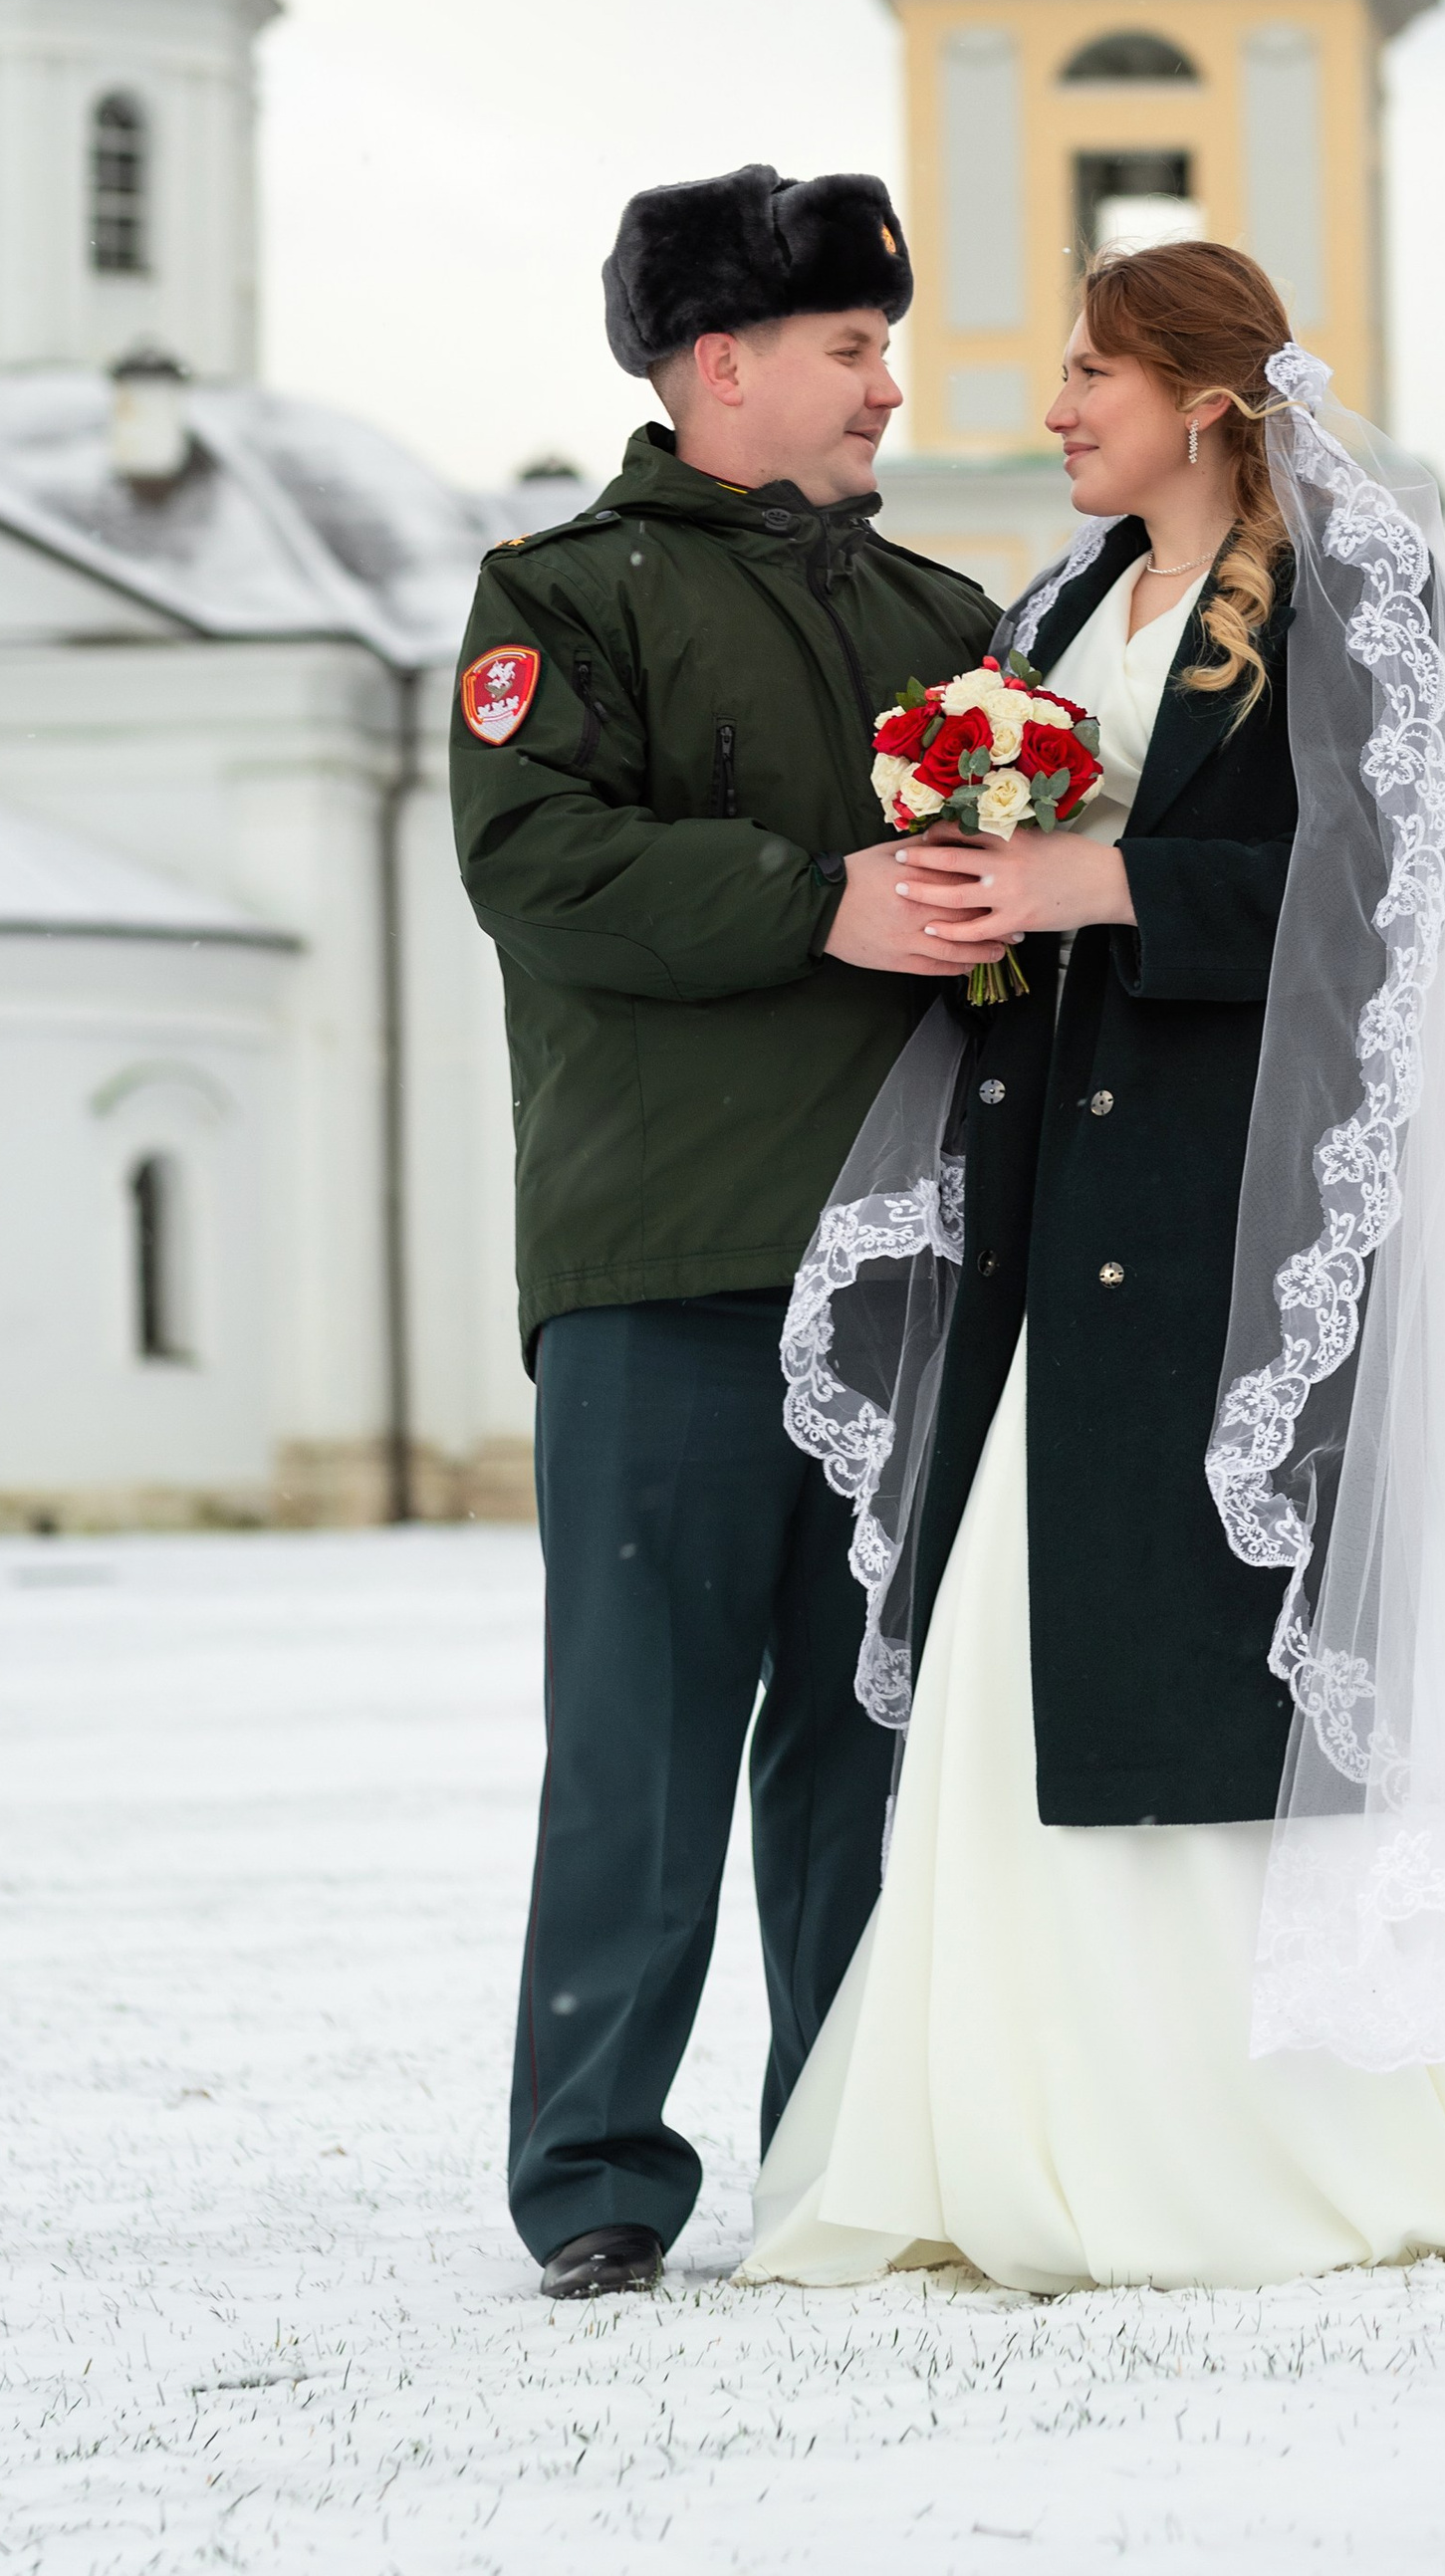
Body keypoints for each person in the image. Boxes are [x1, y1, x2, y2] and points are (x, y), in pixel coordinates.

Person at [745, 240, 1445, 2293]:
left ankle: (1230, 2155)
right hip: (1049, 1217)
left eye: (1088, 374)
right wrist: (981, 895)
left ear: (1203, 397)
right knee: (1001, 1652)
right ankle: (991, 2140)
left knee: (1174, 1659)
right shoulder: (1059, 606)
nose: (1048, 409)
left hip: (1225, 1216)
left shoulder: (1337, 605)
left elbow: (1384, 886)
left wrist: (1095, 876)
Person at [449, 162, 1005, 2300]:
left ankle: (846, 2148)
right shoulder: (560, 602)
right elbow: (542, 864)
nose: (887, 385)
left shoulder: (942, 625)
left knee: (870, 1746)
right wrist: (821, 899)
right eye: (853, 349)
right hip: (662, 1273)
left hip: (905, 1275)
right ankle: (593, 2175)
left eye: (882, 347)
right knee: (642, 1742)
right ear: (719, 363)